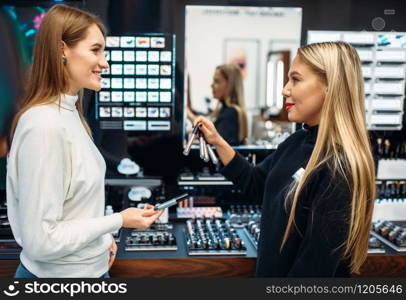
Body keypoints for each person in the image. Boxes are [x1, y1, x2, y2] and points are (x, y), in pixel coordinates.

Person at [194, 42, 376, 277]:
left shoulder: (339, 165)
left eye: (296, 80)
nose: (285, 90)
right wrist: (217, 140)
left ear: (330, 86)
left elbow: (314, 271)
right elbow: (255, 183)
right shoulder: (296, 142)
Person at [6, 4, 163, 278]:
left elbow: (74, 213)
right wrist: (118, 220)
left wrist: (101, 243)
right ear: (62, 49)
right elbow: (42, 240)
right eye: (95, 50)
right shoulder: (44, 126)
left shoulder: (70, 114)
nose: (105, 62)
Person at [188, 64, 248, 146]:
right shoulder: (224, 111)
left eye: (217, 81)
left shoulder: (231, 113)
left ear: (229, 85)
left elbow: (218, 144)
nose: (212, 85)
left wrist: (188, 114)